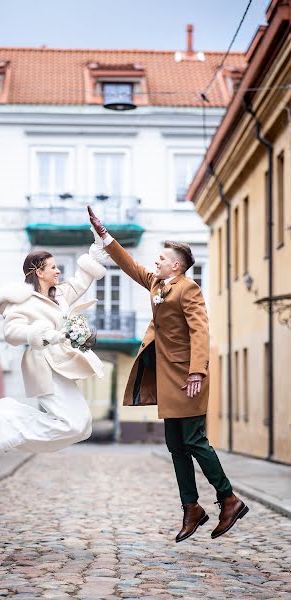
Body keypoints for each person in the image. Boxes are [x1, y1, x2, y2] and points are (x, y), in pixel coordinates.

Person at [87, 206, 249, 542]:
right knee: (176, 445)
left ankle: (228, 498)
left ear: (176, 265)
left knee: (195, 441)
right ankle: (192, 508)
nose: (156, 262)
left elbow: (200, 330)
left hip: (187, 378)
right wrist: (105, 236)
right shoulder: (159, 285)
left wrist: (197, 372)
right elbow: (131, 267)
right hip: (168, 378)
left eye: (162, 258)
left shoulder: (187, 288)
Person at [0, 245, 106, 466]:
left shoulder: (57, 295)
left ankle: (5, 432)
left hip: (63, 364)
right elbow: (11, 333)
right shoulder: (22, 300)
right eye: (53, 267)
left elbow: (79, 283)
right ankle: (0, 415)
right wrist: (41, 334)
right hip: (43, 365)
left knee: (83, 425)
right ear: (39, 272)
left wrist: (95, 254)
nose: (58, 271)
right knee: (73, 425)